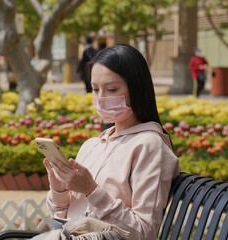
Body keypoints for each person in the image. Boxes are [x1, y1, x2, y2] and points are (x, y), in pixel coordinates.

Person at [44, 44, 180, 240]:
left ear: (137, 89)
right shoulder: (93, 145)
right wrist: (60, 188)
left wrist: (91, 190)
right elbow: (60, 220)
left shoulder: (150, 145)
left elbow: (144, 232)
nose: (100, 98)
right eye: (95, 89)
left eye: (112, 89)